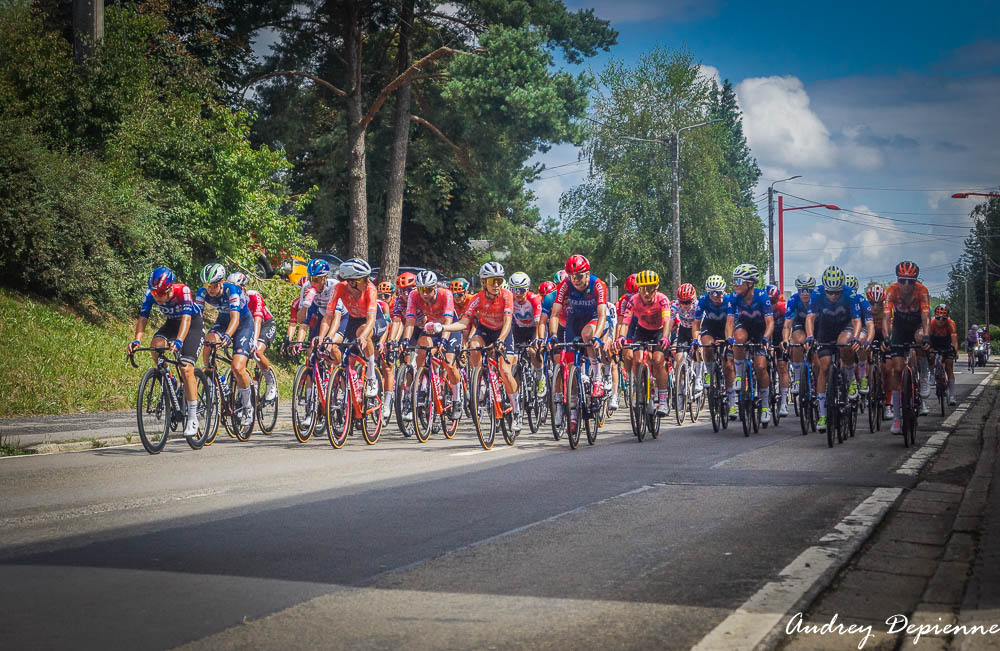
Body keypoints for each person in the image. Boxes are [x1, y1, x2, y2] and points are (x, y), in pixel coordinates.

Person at [440, 262, 521, 433]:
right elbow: (463, 323)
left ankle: (516, 410)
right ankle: (479, 380)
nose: (497, 285)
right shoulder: (477, 299)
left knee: (505, 371)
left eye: (499, 280)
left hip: (503, 332)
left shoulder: (507, 295)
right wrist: (443, 328)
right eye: (493, 281)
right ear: (484, 282)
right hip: (485, 330)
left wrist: (500, 340)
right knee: (474, 346)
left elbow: (507, 322)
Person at [127, 267, 205, 437]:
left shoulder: (183, 291)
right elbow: (143, 318)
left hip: (192, 326)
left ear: (170, 288)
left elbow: (186, 319)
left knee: (186, 368)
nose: (158, 297)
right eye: (155, 293)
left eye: (161, 293)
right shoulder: (151, 294)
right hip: (171, 324)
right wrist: (137, 340)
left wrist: (179, 340)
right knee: (155, 345)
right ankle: (169, 379)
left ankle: (192, 416)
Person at [547, 255, 608, 429]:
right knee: (568, 365)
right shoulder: (564, 285)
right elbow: (555, 314)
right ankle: (573, 416)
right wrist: (553, 334)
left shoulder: (598, 284)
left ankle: (597, 379)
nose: (576, 280)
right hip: (574, 320)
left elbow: (603, 314)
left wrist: (597, 336)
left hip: (595, 319)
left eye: (579, 276)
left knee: (587, 335)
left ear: (587, 274)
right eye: (572, 276)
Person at [315, 258, 386, 398]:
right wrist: (323, 338)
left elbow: (371, 320)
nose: (368, 281)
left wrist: (364, 336)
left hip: (375, 320)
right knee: (342, 353)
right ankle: (349, 390)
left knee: (362, 332)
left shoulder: (370, 289)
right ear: (352, 282)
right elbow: (328, 316)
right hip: (354, 320)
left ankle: (371, 377)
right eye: (364, 279)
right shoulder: (339, 288)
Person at [197, 263, 256, 427]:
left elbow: (235, 319)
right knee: (208, 343)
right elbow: (197, 316)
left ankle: (247, 406)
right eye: (207, 286)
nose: (210, 289)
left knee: (237, 367)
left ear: (222, 282)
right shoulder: (202, 293)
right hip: (223, 322)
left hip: (243, 323)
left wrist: (228, 336)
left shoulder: (232, 290)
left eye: (214, 285)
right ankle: (212, 378)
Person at [805, 266, 861, 433]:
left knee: (844, 344)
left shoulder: (850, 293)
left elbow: (857, 320)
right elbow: (810, 317)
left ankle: (850, 379)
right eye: (830, 292)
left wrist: (856, 337)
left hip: (845, 327)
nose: (833, 296)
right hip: (825, 329)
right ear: (825, 288)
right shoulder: (816, 293)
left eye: (837, 292)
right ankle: (823, 414)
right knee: (824, 367)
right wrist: (809, 336)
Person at [402, 270, 463, 419]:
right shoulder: (413, 295)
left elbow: (448, 321)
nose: (425, 294)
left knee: (449, 364)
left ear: (435, 287)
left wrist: (443, 340)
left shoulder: (445, 294)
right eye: (421, 290)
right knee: (422, 348)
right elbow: (410, 320)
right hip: (432, 327)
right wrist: (405, 340)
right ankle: (423, 385)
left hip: (449, 328)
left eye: (428, 290)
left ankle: (456, 399)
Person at [883, 260, 931, 432]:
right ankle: (896, 418)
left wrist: (926, 337)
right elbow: (886, 316)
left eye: (910, 281)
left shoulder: (922, 291)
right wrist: (887, 338)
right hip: (900, 326)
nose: (906, 285)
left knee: (920, 338)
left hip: (917, 324)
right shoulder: (891, 291)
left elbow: (925, 317)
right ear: (897, 280)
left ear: (915, 281)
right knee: (896, 369)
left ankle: (924, 374)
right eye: (902, 280)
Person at [725, 264, 774, 424]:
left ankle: (765, 406)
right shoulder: (734, 297)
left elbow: (770, 322)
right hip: (744, 326)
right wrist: (728, 339)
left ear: (750, 283)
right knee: (738, 339)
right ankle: (739, 376)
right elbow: (730, 321)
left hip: (760, 330)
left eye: (738, 280)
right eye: (734, 280)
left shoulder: (762, 296)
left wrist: (766, 339)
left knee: (760, 367)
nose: (735, 284)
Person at [619, 269, 671, 416]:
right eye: (642, 289)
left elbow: (667, 321)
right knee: (636, 359)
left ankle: (663, 399)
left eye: (650, 289)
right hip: (642, 331)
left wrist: (665, 337)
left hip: (659, 331)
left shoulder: (662, 299)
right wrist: (621, 337)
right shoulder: (634, 300)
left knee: (658, 360)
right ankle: (640, 389)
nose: (646, 293)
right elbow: (626, 321)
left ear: (656, 289)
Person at [228, 272, 278, 401]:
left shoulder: (254, 296)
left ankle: (270, 381)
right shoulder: (230, 297)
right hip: (245, 326)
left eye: (239, 288)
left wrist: (254, 340)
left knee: (257, 351)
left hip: (265, 324)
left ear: (245, 288)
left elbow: (257, 320)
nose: (236, 291)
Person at [927, 304, 959, 405]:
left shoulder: (951, 323)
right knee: (931, 356)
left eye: (943, 318)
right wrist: (929, 349)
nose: (940, 320)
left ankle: (952, 395)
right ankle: (932, 374)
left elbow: (954, 340)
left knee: (949, 366)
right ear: (935, 317)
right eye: (938, 318)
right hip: (934, 342)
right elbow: (927, 338)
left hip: (946, 343)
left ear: (947, 318)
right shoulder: (931, 323)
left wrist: (955, 351)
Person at [767, 284, 790, 416]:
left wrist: (786, 340)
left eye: (774, 301)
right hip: (768, 335)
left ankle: (784, 401)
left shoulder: (783, 307)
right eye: (769, 301)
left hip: (781, 334)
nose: (772, 305)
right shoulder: (763, 307)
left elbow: (789, 326)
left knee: (782, 366)